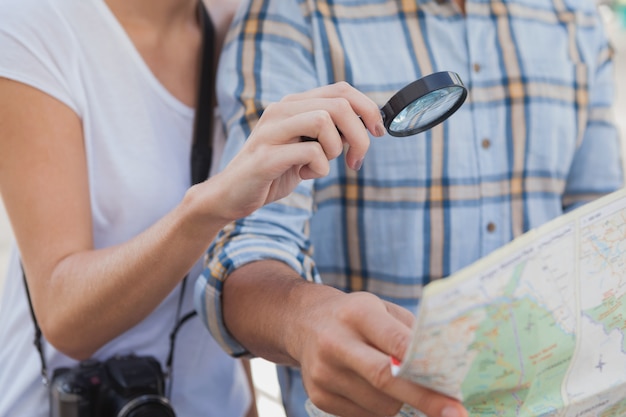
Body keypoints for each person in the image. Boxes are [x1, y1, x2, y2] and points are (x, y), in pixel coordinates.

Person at [194, 0, 625, 416]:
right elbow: (241, 256)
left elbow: (601, 231)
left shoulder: (576, 18)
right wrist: (305, 319)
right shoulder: (295, 11)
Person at [0, 0, 389, 415]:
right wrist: (210, 206)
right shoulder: (33, 26)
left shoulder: (238, 26)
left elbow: (224, 274)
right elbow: (64, 318)